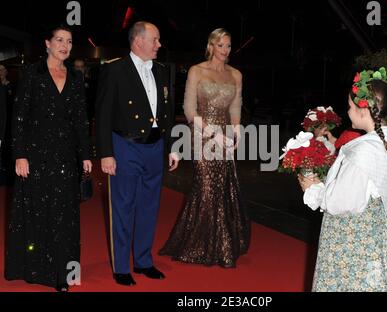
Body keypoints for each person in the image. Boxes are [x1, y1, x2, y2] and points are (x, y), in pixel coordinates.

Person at [299, 68, 387, 292]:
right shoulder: (383, 142)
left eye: (350, 107)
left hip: (352, 240)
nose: (348, 111)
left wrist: (312, 189)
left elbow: (341, 202)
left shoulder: (364, 152)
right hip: (375, 234)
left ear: (364, 110)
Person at [4, 25, 92, 292]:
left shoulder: (76, 78)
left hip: (65, 156)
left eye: (69, 41)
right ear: (47, 43)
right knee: (38, 213)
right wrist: (19, 155)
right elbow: (18, 119)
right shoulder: (32, 74)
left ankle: (62, 273)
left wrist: (86, 155)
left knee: (65, 215)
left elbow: (80, 120)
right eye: (59, 40)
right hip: (35, 155)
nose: (65, 45)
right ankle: (34, 268)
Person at [95, 21, 179, 286]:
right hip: (125, 146)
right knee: (123, 207)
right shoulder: (115, 70)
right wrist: (106, 153)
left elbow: (167, 111)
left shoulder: (163, 71)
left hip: (155, 147)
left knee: (149, 207)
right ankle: (121, 266)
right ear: (138, 41)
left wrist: (171, 147)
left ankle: (143, 261)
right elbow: (103, 114)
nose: (159, 44)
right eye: (155, 39)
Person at [158, 28, 251, 268]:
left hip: (226, 135)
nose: (225, 50)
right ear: (211, 46)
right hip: (203, 135)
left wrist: (237, 130)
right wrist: (214, 135)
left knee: (222, 186)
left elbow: (235, 108)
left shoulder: (236, 75)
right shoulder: (197, 71)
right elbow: (190, 110)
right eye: (220, 45)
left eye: (228, 46)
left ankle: (222, 242)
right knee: (208, 185)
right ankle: (203, 245)